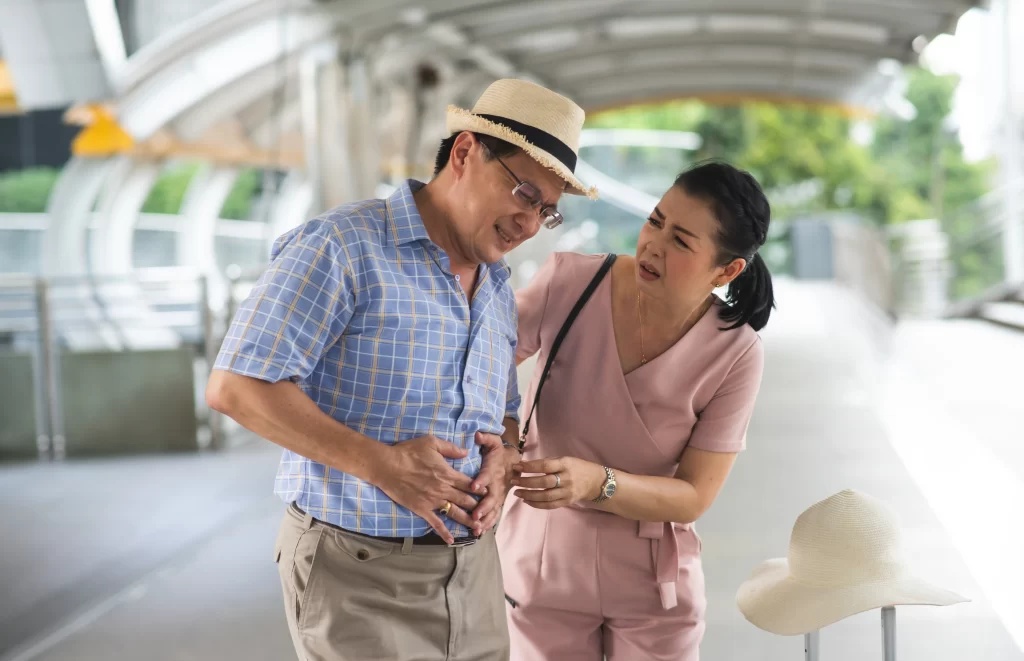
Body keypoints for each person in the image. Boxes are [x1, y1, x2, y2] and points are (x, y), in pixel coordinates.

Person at [205, 78, 597, 661]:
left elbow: (503, 414)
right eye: (523, 193)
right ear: (464, 153)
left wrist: (505, 457)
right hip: (355, 571)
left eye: (547, 212)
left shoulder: (493, 285)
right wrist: (381, 465)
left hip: (473, 574)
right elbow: (236, 387)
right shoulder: (343, 244)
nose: (530, 223)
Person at [498, 161, 774, 661]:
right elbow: (475, 362)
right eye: (655, 221)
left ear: (727, 269)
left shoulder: (736, 352)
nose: (653, 245)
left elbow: (694, 495)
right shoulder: (570, 282)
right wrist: (507, 433)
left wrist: (594, 481)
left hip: (653, 581)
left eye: (682, 241)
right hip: (543, 558)